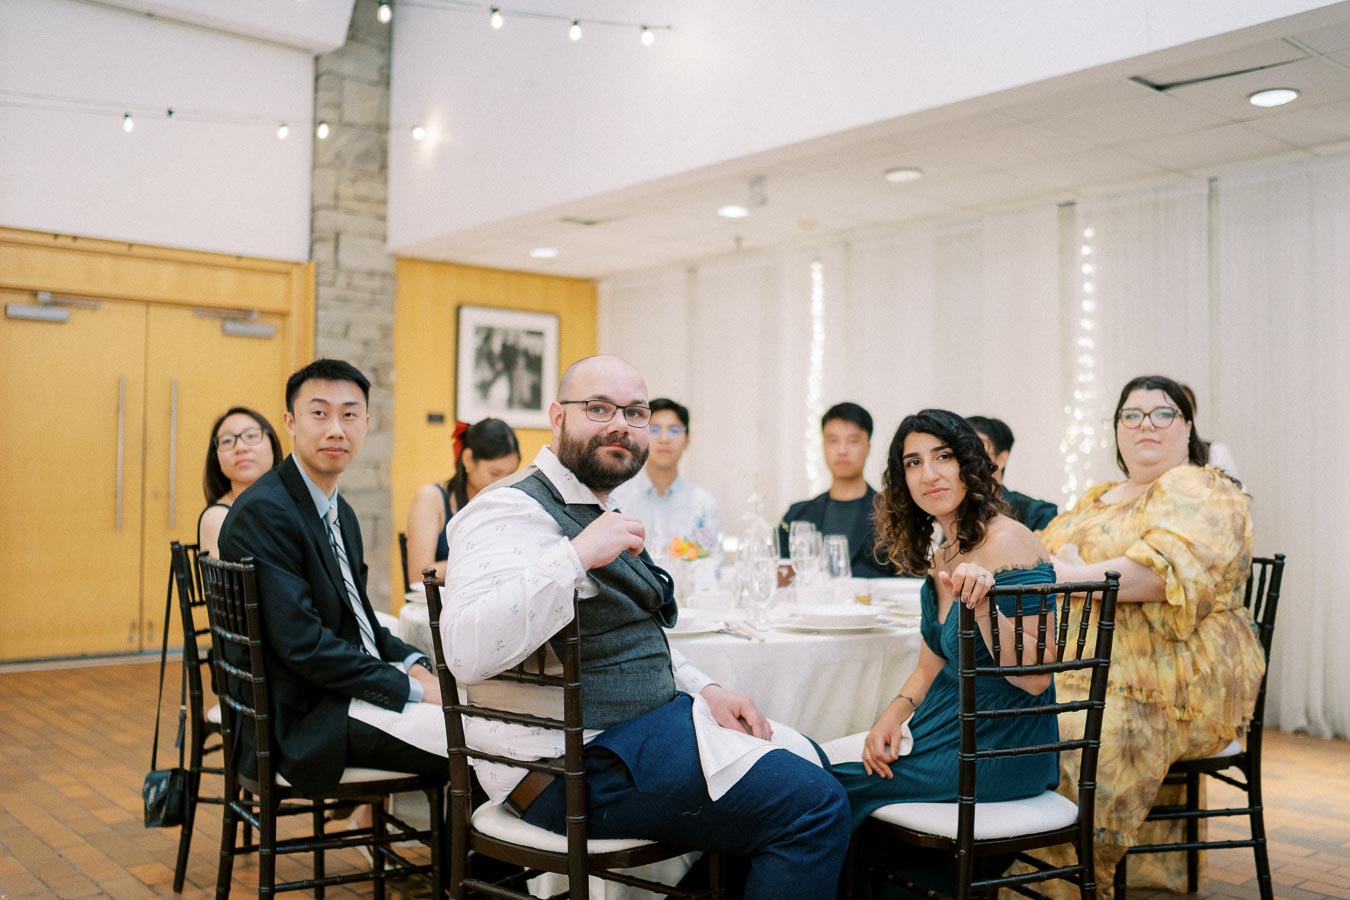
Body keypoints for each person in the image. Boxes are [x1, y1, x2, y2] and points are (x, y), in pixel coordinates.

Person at [441, 355, 851, 899]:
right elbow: (466, 651)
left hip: (628, 735)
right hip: (561, 767)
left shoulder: (595, 505)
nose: (621, 424)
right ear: (556, 417)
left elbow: (634, 635)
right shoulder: (508, 513)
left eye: (635, 412)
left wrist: (706, 689)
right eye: (598, 408)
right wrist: (575, 557)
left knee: (809, 761)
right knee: (812, 805)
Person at [1032, 374, 1264, 892]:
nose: (1146, 426)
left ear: (1187, 428)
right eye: (1131, 415)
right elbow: (1045, 553)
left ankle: (1067, 880)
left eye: (1163, 414)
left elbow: (1159, 575)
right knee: (1006, 718)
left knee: (1073, 734)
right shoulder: (1098, 497)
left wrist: (1073, 574)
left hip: (1173, 671)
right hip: (1083, 660)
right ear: (1117, 431)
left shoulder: (1201, 486)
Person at [218, 359, 446, 795]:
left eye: (349, 414)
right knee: (480, 742)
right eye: (319, 413)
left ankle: (459, 859)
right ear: (290, 422)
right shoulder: (267, 512)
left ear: (365, 422)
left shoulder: (339, 510)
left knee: (475, 722)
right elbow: (302, 645)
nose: (336, 429)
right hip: (303, 719)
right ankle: (484, 861)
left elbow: (356, 621)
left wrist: (415, 666)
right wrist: (403, 686)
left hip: (330, 693)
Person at [831, 409, 1060, 835]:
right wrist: (890, 717)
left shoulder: (1010, 541)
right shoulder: (942, 556)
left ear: (970, 466)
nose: (928, 473)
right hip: (950, 730)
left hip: (1001, 748)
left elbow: (1036, 680)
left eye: (943, 456)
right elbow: (929, 667)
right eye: (913, 462)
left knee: (817, 788)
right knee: (810, 770)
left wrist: (983, 604)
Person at [778, 402, 898, 577]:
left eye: (853, 441)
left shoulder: (892, 514)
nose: (842, 450)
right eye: (833, 441)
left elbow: (908, 585)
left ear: (868, 447)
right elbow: (781, 578)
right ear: (824, 446)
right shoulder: (797, 515)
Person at [405, 417, 520, 579]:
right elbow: (418, 575)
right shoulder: (431, 498)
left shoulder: (507, 502)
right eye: (495, 474)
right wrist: (486, 559)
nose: (503, 483)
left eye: (510, 475)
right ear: (468, 460)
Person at [609, 397, 720, 553]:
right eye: (654, 430)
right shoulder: (617, 499)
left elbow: (709, 566)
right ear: (640, 438)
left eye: (674, 430)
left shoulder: (703, 505)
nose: (664, 439)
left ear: (687, 440)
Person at [198, 406, 283, 559]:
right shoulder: (217, 517)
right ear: (216, 459)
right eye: (227, 441)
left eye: (251, 436)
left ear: (273, 444)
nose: (241, 448)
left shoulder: (292, 506)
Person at [966, 415, 1058, 531]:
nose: (968, 458)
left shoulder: (1036, 513)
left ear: (1001, 459)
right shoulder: (953, 512)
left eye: (978, 449)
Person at [1178, 382, 1242, 483]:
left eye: (1185, 408)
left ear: (1194, 412)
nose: (1180, 414)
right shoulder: (1154, 456)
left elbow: (1238, 492)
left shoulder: (1216, 452)